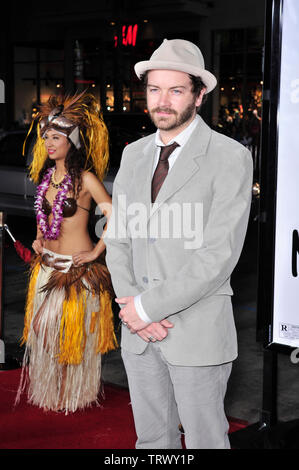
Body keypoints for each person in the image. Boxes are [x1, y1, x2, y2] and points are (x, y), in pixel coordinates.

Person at [104, 39, 253, 449]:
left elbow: (217, 255)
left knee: (205, 441)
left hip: (197, 332)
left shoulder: (229, 157)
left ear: (199, 94)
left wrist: (147, 309)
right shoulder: (133, 154)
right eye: (154, 89)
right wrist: (133, 305)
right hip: (137, 331)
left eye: (176, 90)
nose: (162, 101)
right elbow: (119, 238)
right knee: (152, 441)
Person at [16, 91, 117, 414]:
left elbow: (114, 216)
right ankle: (51, 385)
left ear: (71, 142)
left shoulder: (85, 178)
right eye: (46, 137)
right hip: (47, 266)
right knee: (42, 330)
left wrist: (97, 252)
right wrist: (37, 238)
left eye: (56, 137)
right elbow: (41, 214)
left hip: (78, 269)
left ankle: (77, 393)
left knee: (76, 338)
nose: (48, 143)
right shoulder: (46, 179)